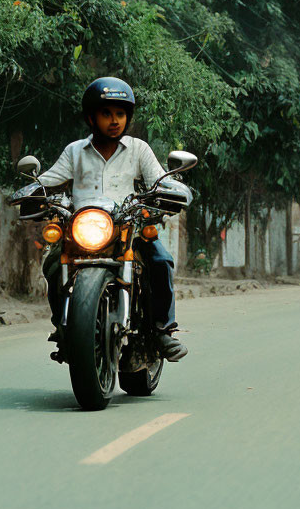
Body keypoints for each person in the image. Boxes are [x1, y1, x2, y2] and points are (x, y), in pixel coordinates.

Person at [37, 77, 187, 363]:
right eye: (107, 114)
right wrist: (32, 192)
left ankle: (163, 330)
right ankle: (63, 324)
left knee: (160, 261)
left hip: (128, 227)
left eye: (120, 114)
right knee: (53, 265)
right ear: (92, 117)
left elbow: (158, 181)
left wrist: (175, 191)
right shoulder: (75, 151)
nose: (114, 121)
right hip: (82, 229)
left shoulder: (139, 149)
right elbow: (48, 181)